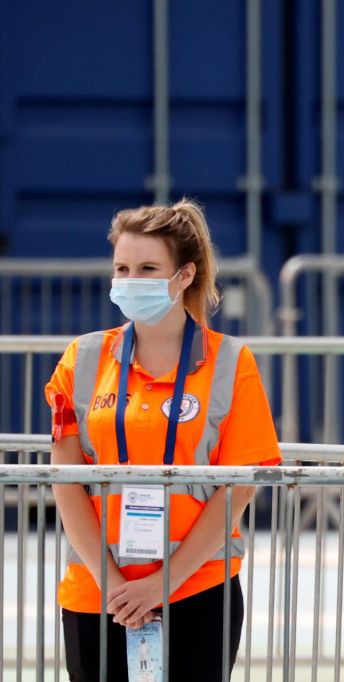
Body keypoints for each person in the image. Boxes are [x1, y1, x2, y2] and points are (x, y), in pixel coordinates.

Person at [45, 199, 281, 681]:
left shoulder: (232, 363)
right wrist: (114, 584)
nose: (131, 280)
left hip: (199, 589)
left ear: (185, 275)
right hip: (98, 592)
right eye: (122, 268)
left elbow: (239, 486)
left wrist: (161, 585)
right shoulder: (82, 359)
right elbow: (65, 479)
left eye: (148, 268)